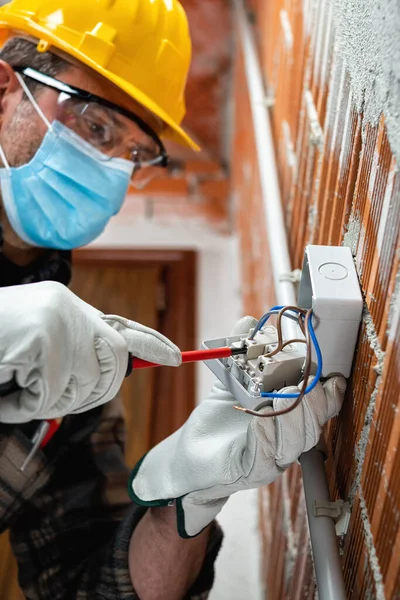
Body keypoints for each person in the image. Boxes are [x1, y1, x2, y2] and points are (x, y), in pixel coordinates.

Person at [0, 0, 346, 598]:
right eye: (97, 126)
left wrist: (188, 499)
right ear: (5, 88)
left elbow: (87, 589)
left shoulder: (72, 386)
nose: (113, 172)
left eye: (135, 155)